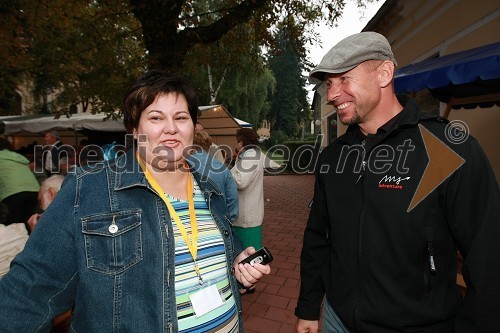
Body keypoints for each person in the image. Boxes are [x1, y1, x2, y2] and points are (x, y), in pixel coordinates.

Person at [0, 70, 271, 332]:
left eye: (181, 117)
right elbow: (29, 290)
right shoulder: (89, 188)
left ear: (193, 126)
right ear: (133, 128)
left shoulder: (209, 187)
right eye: (156, 118)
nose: (171, 128)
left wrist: (238, 264)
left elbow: (225, 251)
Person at [295, 32, 500, 333]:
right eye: (329, 84)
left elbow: (490, 260)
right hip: (337, 320)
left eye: (344, 79)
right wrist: (309, 307)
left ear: (384, 74)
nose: (332, 95)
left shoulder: (449, 148)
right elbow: (318, 237)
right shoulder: (332, 157)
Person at [230, 128, 265, 295]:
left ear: (242, 142)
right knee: (249, 248)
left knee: (247, 248)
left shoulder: (249, 156)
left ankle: (247, 284)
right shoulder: (253, 155)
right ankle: (248, 283)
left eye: (237, 140)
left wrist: (226, 174)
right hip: (249, 211)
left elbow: (241, 181)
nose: (236, 144)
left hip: (246, 212)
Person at [0, 137, 40, 225]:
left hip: (12, 192)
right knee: (26, 224)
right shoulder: (18, 156)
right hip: (33, 190)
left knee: (9, 224)